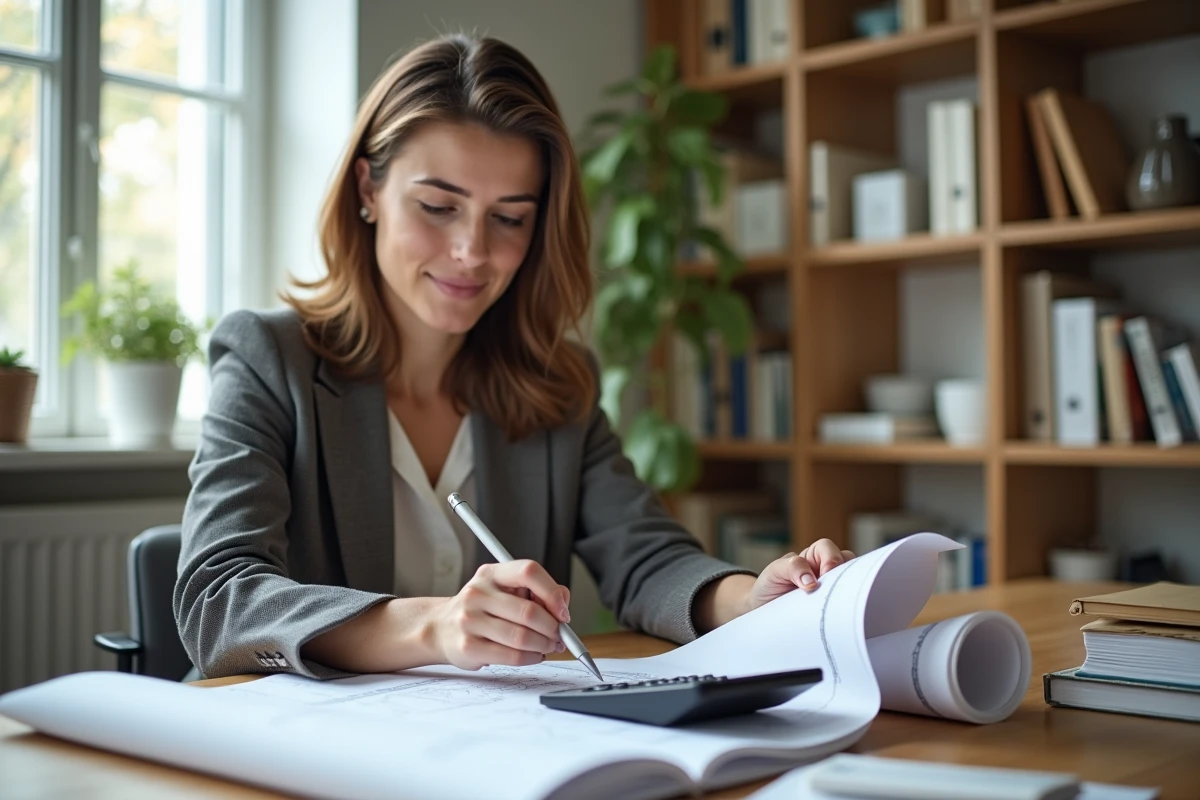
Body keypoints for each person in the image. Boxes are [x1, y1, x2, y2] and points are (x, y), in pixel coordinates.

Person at [173, 34, 854, 681]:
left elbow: (645, 559)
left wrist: (752, 601)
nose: (472, 250)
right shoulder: (268, 358)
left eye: (509, 217)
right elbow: (219, 599)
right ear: (367, 191)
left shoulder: (558, 384)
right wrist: (435, 629)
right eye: (439, 206)